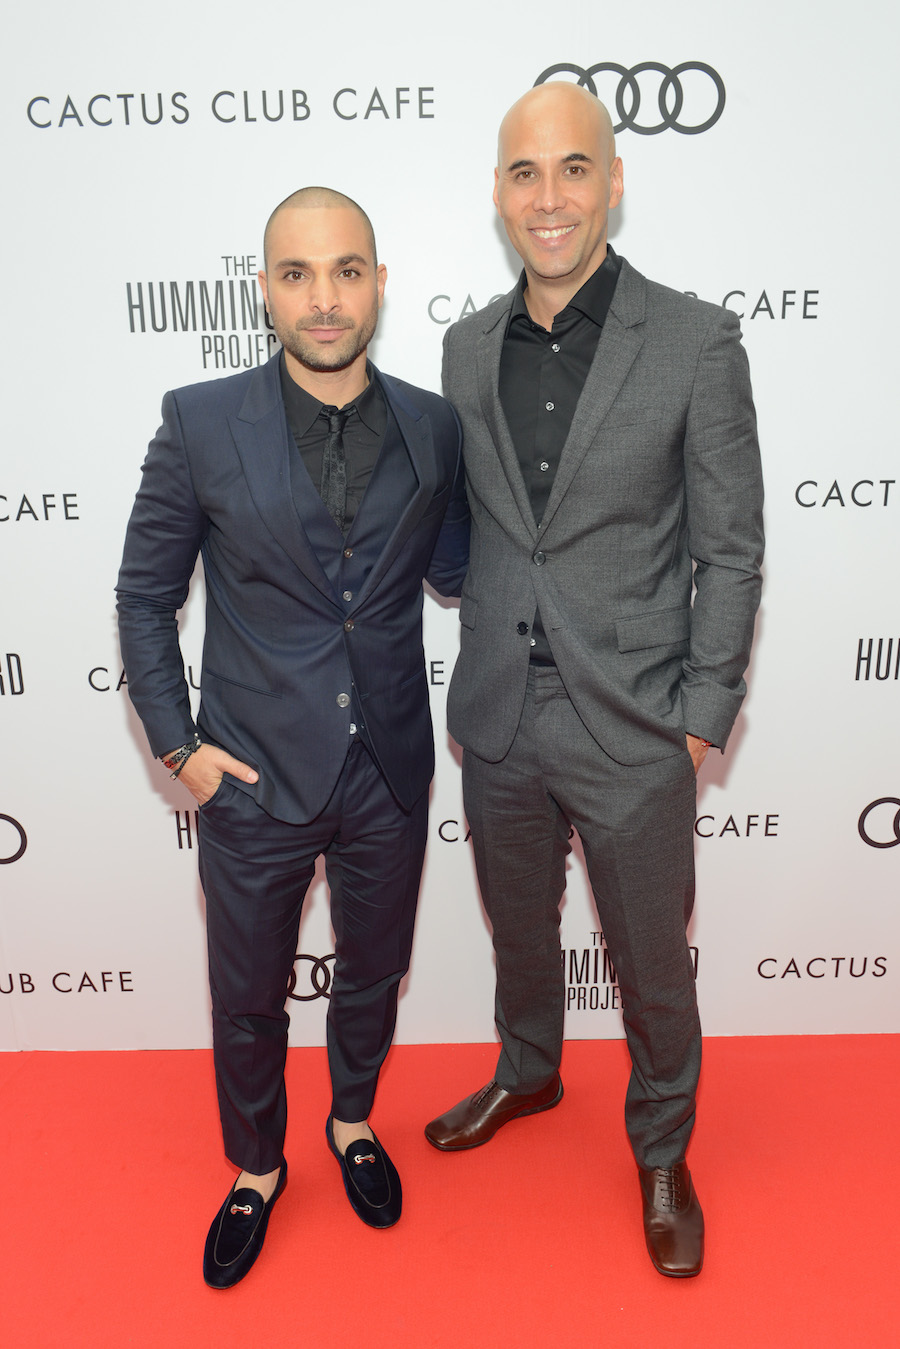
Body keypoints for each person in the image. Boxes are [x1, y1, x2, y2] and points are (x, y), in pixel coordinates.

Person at [425, 83, 764, 1278]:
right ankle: (529, 1067)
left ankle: (663, 1145)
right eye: (526, 172)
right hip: (500, 717)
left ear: (615, 182)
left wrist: (699, 719)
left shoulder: (694, 339)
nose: (550, 196)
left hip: (635, 725)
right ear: (500, 194)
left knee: (651, 959)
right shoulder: (465, 346)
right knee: (521, 928)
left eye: (575, 169)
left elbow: (731, 546)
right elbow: (468, 521)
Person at [117, 186, 468, 1289]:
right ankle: (258, 1163)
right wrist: (181, 747)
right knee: (249, 989)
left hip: (390, 769)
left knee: (374, 969)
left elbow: (461, 568)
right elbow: (143, 596)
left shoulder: (433, 421)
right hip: (253, 773)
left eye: (348, 271)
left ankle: (353, 1119)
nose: (326, 299)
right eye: (300, 274)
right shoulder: (198, 418)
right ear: (265, 287)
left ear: (377, 283)